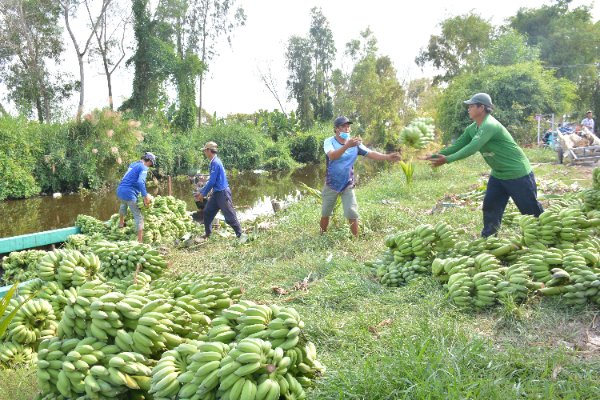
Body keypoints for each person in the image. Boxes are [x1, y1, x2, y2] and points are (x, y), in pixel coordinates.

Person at [426, 93, 543, 237]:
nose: (468, 109)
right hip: (498, 174)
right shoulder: (473, 128)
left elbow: (472, 147)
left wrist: (447, 159)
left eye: (471, 106)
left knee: (530, 210)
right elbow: (458, 145)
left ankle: (544, 235)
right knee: (491, 206)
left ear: (481, 108)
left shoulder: (490, 125)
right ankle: (488, 238)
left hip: (517, 173)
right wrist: (434, 156)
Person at [320, 116, 402, 238]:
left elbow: (371, 154)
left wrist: (387, 157)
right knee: (326, 212)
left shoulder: (356, 144)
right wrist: (347, 146)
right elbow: (332, 156)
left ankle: (356, 239)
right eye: (343, 126)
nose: (347, 128)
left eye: (348, 126)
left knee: (351, 212)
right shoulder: (329, 141)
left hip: (347, 183)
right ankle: (322, 234)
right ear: (337, 129)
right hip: (331, 183)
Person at [194, 141, 246, 242]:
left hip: (222, 193)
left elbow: (212, 181)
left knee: (229, 215)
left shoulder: (216, 163)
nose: (204, 153)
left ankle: (240, 235)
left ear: (209, 150)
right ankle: (208, 234)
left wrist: (203, 194)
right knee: (208, 212)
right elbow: (211, 181)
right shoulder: (213, 162)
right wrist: (201, 191)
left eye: (205, 150)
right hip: (216, 193)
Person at [116, 152, 156, 242]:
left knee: (123, 204)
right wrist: (145, 196)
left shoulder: (133, 164)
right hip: (129, 193)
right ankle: (140, 242)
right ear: (149, 161)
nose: (150, 166)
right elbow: (140, 182)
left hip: (120, 190)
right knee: (139, 217)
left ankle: (121, 223)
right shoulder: (143, 167)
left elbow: (128, 177)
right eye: (151, 164)